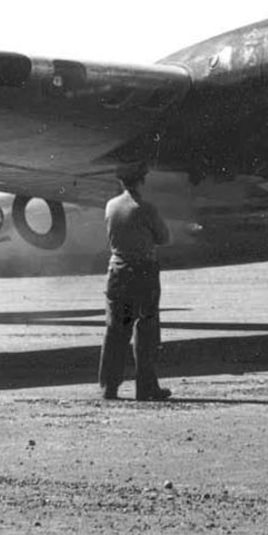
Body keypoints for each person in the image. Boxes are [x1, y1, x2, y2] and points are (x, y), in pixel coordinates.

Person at [99, 163, 172, 401]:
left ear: (121, 181)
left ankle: (109, 387)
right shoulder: (146, 208)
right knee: (146, 329)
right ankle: (146, 387)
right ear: (141, 181)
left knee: (116, 330)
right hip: (143, 274)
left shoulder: (110, 206)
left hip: (117, 272)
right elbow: (164, 237)